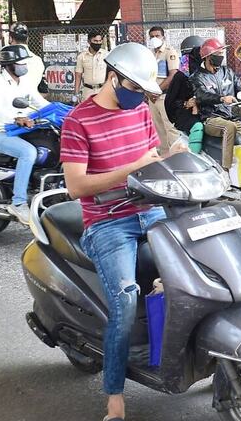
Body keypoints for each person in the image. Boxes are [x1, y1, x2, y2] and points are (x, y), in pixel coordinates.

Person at [59, 42, 183, 421]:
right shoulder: (78, 121)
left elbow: (150, 163)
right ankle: (114, 396)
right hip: (107, 222)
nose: (139, 97)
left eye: (144, 91)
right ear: (113, 78)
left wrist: (172, 158)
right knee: (126, 299)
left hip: (151, 210)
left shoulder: (141, 111)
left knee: (194, 274)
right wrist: (133, 168)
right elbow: (76, 186)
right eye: (134, 88)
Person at [0, 45, 51, 224]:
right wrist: (16, 118)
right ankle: (19, 203)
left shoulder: (25, 82)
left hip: (23, 131)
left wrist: (66, 112)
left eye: (24, 63)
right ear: (9, 64)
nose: (24, 66)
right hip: (0, 133)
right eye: (20, 63)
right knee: (28, 152)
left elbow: (41, 103)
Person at [189, 37, 241, 182]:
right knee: (229, 127)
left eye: (221, 53)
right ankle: (225, 171)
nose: (221, 56)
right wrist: (221, 98)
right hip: (212, 118)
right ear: (208, 56)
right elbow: (201, 95)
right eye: (218, 54)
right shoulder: (197, 77)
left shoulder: (228, 72)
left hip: (233, 116)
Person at [165, 35, 205, 153]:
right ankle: (194, 158)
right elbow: (170, 102)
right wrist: (185, 103)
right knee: (197, 127)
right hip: (185, 114)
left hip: (206, 112)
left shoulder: (207, 73)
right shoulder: (181, 76)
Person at [147, 26, 181, 153]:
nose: (154, 38)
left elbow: (173, 75)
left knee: (170, 127)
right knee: (158, 128)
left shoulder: (169, 52)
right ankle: (165, 155)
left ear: (163, 37)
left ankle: (177, 155)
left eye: (157, 36)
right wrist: (149, 93)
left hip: (165, 96)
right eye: (152, 36)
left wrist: (157, 91)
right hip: (152, 97)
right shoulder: (150, 54)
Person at [8, 22, 47, 94]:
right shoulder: (38, 60)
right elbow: (44, 90)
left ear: (10, 38)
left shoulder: (8, 60)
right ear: (27, 39)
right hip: (33, 99)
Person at [74, 32, 108, 102]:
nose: (98, 43)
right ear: (89, 41)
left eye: (99, 41)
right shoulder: (81, 57)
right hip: (88, 91)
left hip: (102, 90)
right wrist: (76, 94)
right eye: (95, 41)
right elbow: (78, 75)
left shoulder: (106, 55)